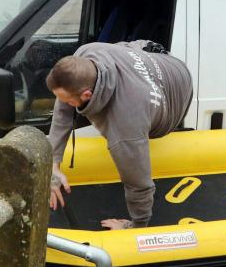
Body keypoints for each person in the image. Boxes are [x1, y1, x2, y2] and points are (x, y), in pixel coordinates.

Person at [46, 40, 193, 230]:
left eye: (66, 99)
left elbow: (139, 184)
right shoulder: (87, 52)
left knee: (131, 163)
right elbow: (62, 111)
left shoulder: (124, 125)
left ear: (87, 95)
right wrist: (53, 164)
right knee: (125, 47)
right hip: (151, 58)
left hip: (176, 96)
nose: (62, 103)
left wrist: (136, 226)